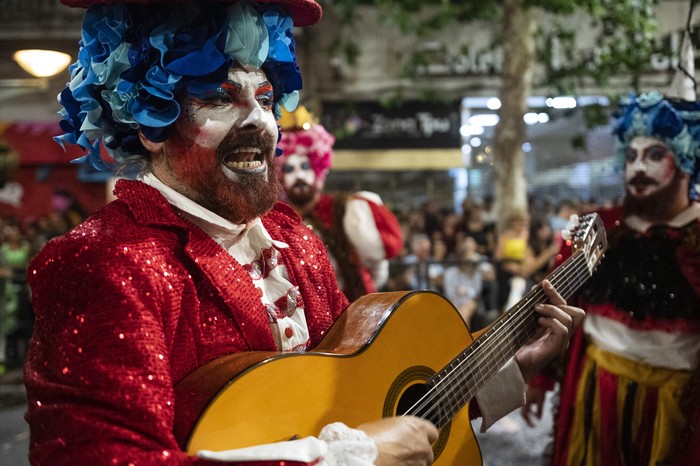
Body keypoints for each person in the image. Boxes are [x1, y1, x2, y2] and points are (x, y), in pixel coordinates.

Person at [24, 1, 585, 465]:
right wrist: (350, 458)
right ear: (150, 123)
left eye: (265, 98)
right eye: (221, 97)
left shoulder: (296, 241)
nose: (260, 123)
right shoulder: (103, 262)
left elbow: (379, 410)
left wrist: (509, 370)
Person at [522, 90, 700, 465]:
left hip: (679, 404)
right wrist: (539, 379)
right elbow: (556, 302)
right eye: (632, 155)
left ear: (684, 159)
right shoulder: (599, 229)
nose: (638, 168)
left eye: (654, 156)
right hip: (596, 390)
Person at [275, 106, 403, 302]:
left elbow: (379, 264)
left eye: (305, 166)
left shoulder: (345, 209)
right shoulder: (275, 220)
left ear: (318, 166)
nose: (299, 176)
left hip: (354, 315)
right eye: (290, 169)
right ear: (279, 173)